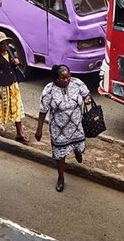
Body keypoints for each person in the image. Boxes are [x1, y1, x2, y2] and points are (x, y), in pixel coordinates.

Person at [35, 64, 91, 192]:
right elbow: (43, 110)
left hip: (76, 126)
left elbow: (87, 95)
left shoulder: (77, 84)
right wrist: (39, 130)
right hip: (59, 130)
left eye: (68, 77)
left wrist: (87, 99)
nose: (66, 80)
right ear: (56, 78)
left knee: (78, 145)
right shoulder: (49, 90)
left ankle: (77, 151)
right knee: (60, 155)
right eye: (63, 78)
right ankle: (61, 178)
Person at [0, 31, 29, 143]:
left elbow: (15, 63)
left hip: (12, 85)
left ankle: (19, 133)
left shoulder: (10, 50)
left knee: (17, 108)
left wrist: (17, 62)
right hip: (0, 87)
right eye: (2, 44)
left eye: (6, 43)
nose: (5, 45)